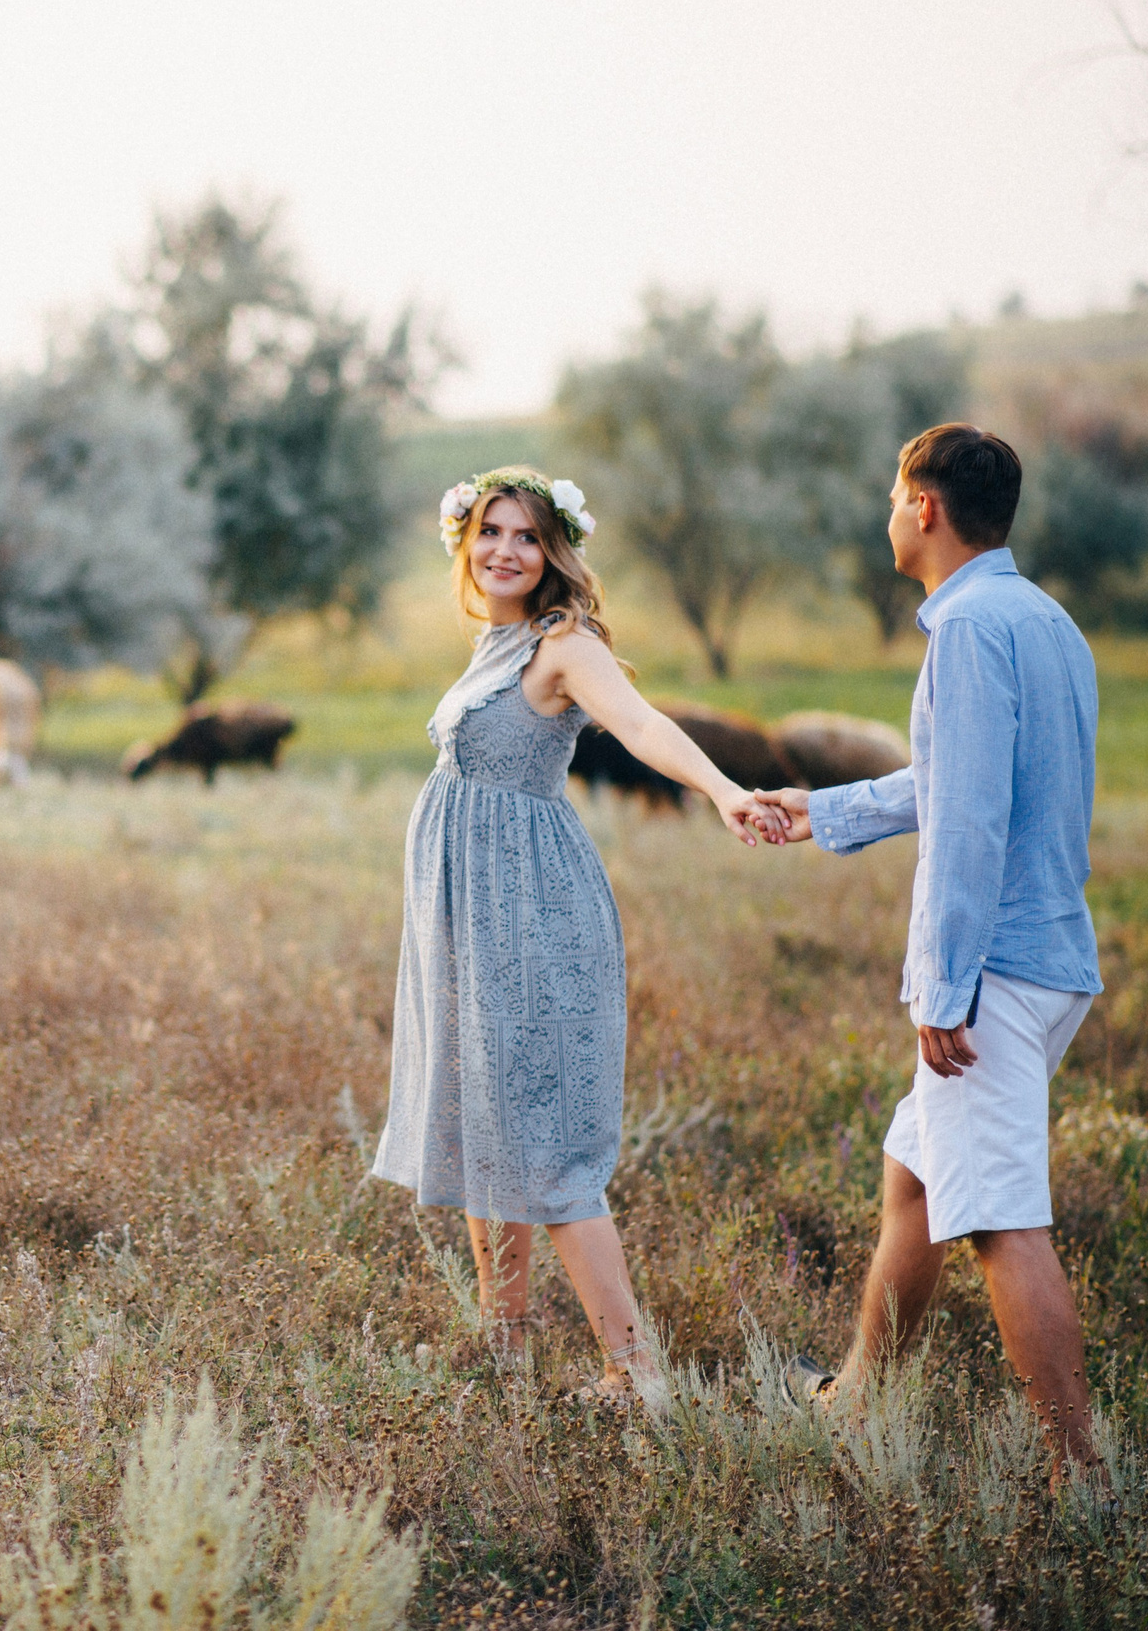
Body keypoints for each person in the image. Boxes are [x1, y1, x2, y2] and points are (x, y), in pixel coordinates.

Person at [371, 466, 787, 1403]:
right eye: (490, 531)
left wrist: (723, 792)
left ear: (554, 551)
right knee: (485, 1120)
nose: (504, 550)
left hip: (530, 913)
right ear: (466, 542)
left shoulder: (563, 645)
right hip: (468, 917)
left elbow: (640, 724)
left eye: (525, 536)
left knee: (549, 1143)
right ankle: (505, 1342)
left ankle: (633, 1369)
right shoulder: (496, 641)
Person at [758, 424, 1105, 1478]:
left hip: (991, 974)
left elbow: (966, 827)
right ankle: (860, 1400)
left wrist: (944, 985)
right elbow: (953, 780)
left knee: (998, 1219)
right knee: (914, 1177)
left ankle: (1081, 1481)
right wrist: (818, 811)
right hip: (1047, 961)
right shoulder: (1042, 621)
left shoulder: (964, 633)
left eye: (890, 497)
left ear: (924, 508)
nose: (887, 516)